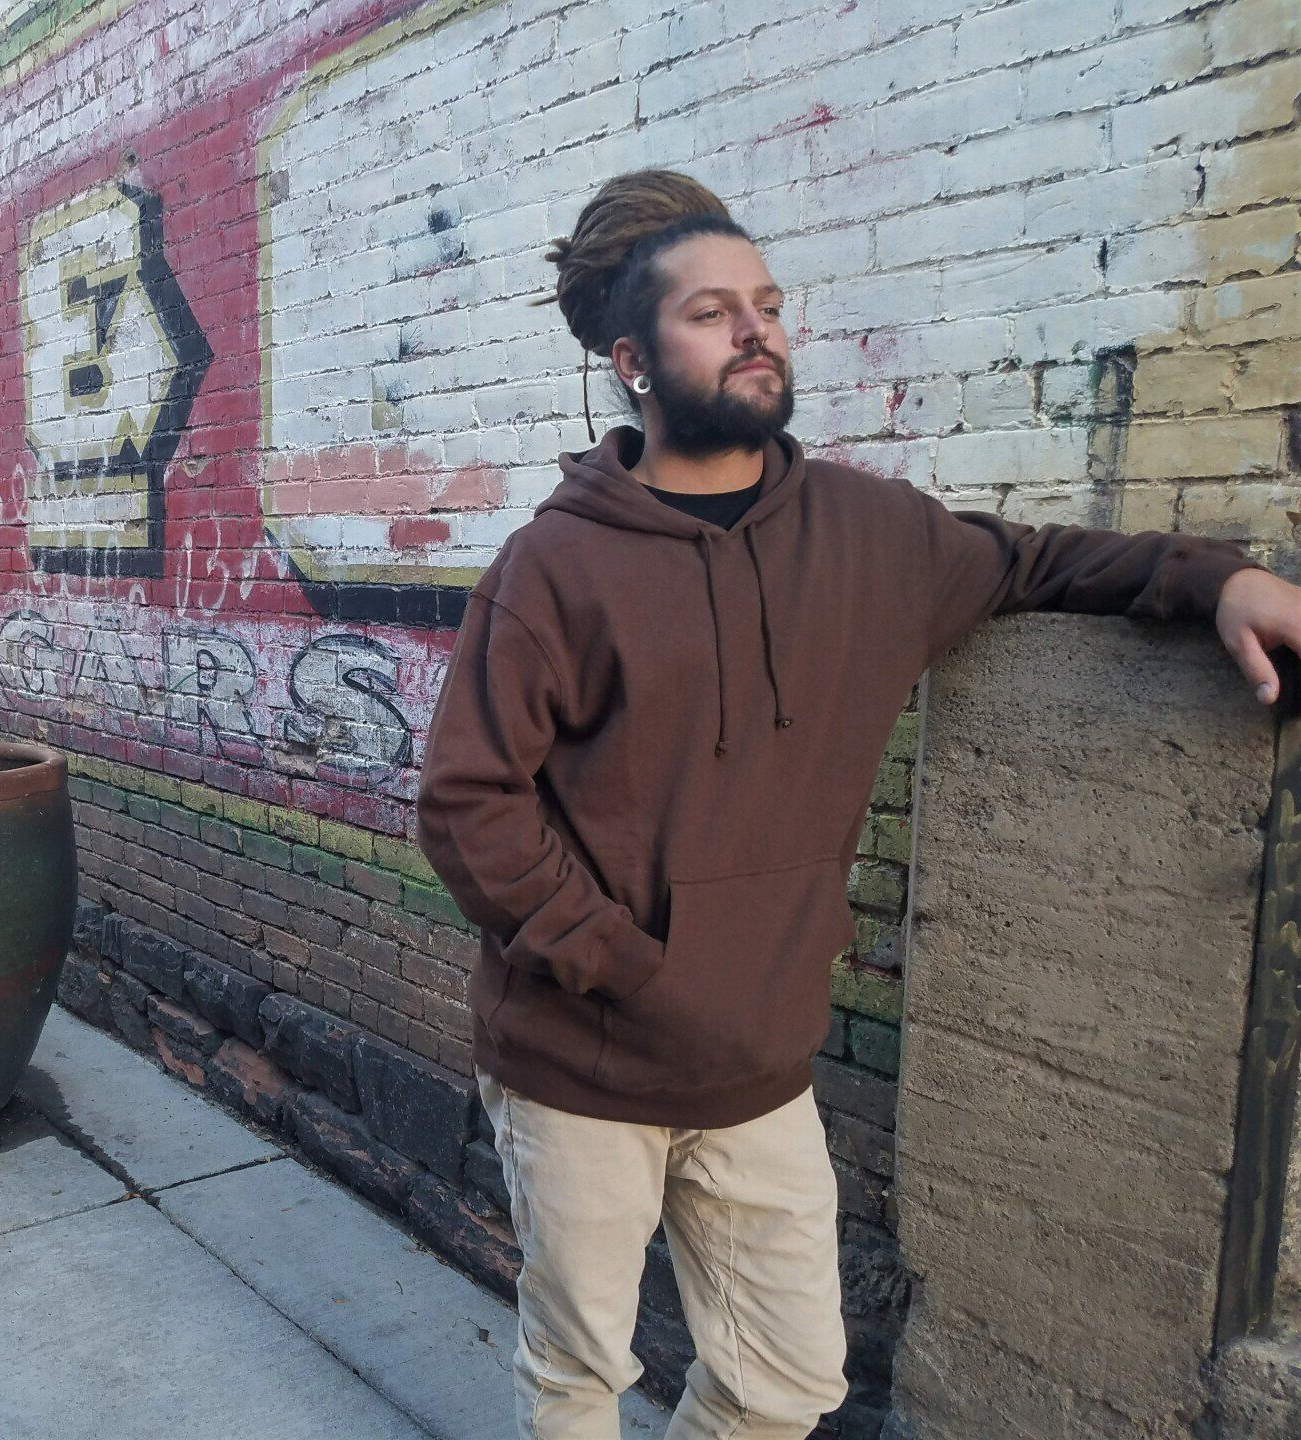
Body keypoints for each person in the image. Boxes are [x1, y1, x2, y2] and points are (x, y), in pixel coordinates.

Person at [413, 168, 1298, 1440]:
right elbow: (467, 802)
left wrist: (1216, 580)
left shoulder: (875, 536)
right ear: (632, 361)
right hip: (585, 1062)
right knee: (578, 1374)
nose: (757, 328)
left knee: (790, 1381)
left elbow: (1038, 561)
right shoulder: (556, 566)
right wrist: (623, 966)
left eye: (767, 303)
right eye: (713, 312)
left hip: (762, 1064)